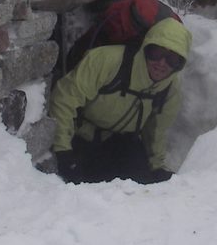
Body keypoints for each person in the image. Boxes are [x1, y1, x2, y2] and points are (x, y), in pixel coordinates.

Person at [49, 17, 192, 184]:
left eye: (172, 59)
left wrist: (156, 166)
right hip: (81, 138)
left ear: (180, 64)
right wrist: (62, 150)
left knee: (143, 190)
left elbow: (156, 130)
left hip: (124, 145)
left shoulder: (170, 89)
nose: (161, 63)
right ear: (145, 48)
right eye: (157, 53)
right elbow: (65, 98)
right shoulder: (106, 61)